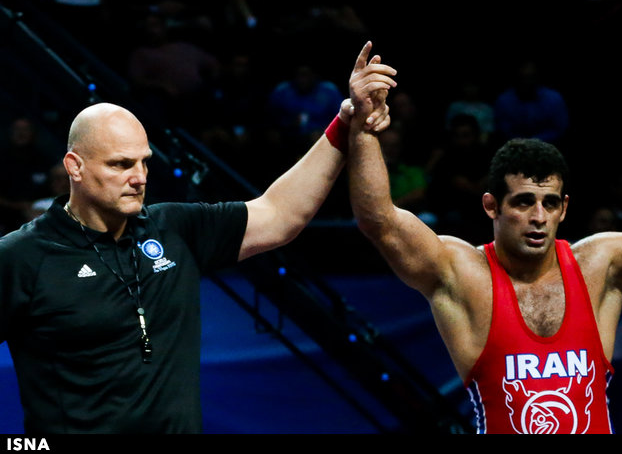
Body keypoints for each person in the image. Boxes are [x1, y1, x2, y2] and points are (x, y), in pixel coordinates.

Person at [347, 49, 622, 435]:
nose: (538, 217)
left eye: (549, 203)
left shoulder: (598, 265)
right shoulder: (463, 274)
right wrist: (364, 127)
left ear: (564, 208)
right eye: (523, 202)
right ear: (492, 206)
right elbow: (379, 220)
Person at [0, 43, 397, 434]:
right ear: (75, 166)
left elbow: (280, 215)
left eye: (143, 162)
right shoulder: (21, 257)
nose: (139, 178)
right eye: (120, 165)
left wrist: (345, 120)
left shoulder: (175, 227)